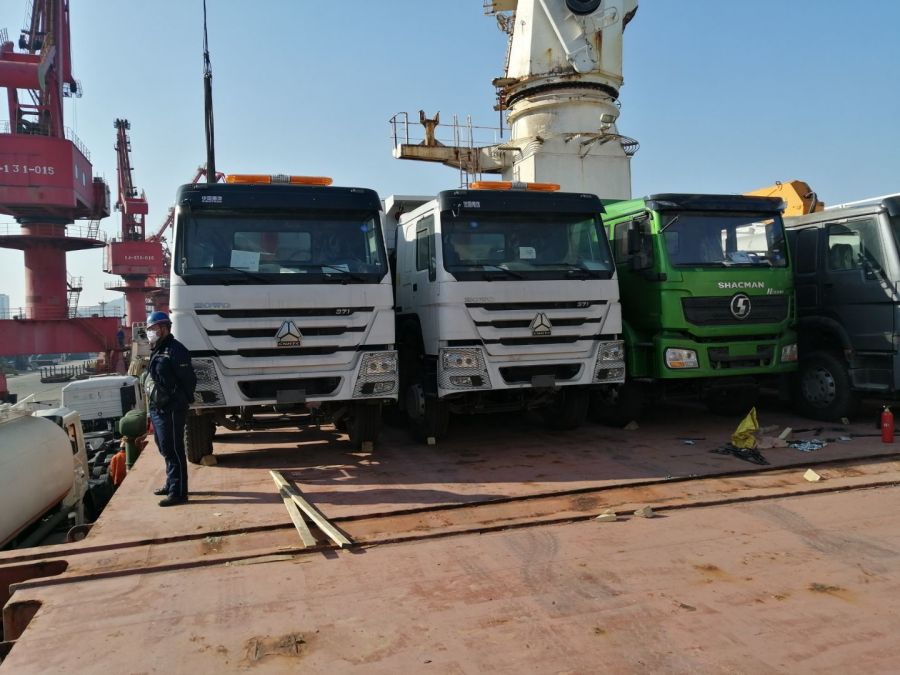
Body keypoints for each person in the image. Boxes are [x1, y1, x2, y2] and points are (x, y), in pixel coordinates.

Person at [144, 311, 196, 507]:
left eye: (153, 329)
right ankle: (171, 482)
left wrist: (183, 400)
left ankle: (178, 492)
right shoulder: (157, 348)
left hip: (172, 408)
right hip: (158, 408)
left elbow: (189, 379)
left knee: (173, 449)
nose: (150, 332)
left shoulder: (176, 350)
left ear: (164, 328)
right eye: (149, 329)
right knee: (163, 446)